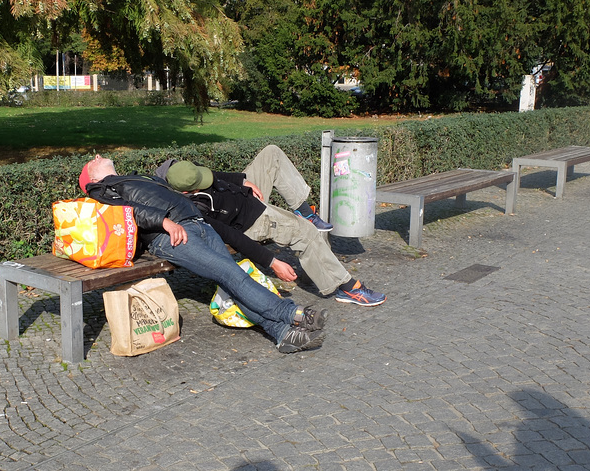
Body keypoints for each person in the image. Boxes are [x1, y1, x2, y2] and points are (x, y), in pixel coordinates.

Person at [79, 155, 329, 353]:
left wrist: (239, 181)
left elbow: (198, 177)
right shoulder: (99, 189)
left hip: (197, 224)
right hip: (170, 235)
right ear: (90, 177)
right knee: (228, 272)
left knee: (229, 279)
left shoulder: (134, 178)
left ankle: (282, 334)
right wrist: (164, 222)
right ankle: (290, 313)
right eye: (93, 159)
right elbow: (128, 210)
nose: (98, 155)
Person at [156, 146, 386, 306]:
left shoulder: (176, 173)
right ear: (187, 192)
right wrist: (271, 261)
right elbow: (232, 236)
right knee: (305, 233)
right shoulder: (196, 209)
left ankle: (304, 211)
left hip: (246, 194)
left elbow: (211, 176)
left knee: (271, 153)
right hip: (254, 219)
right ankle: (347, 287)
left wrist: (241, 181)